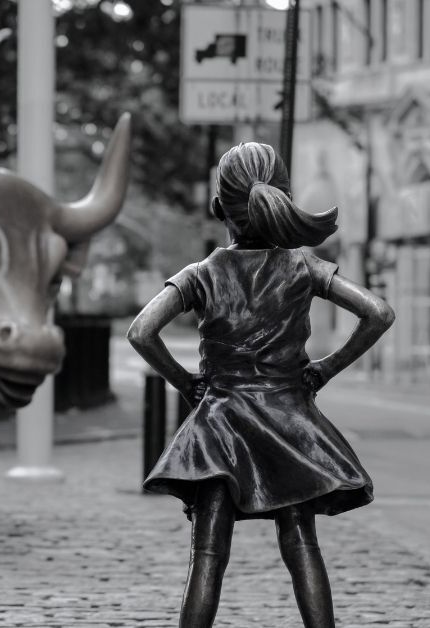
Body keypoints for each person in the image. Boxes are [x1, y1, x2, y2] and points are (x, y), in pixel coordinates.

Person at [127, 142, 394, 628]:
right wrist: (325, 369)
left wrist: (187, 383)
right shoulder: (301, 267)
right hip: (289, 423)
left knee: (207, 555)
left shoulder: (202, 274)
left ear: (218, 209)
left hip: (219, 426)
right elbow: (378, 313)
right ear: (283, 198)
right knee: (301, 544)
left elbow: (141, 333)